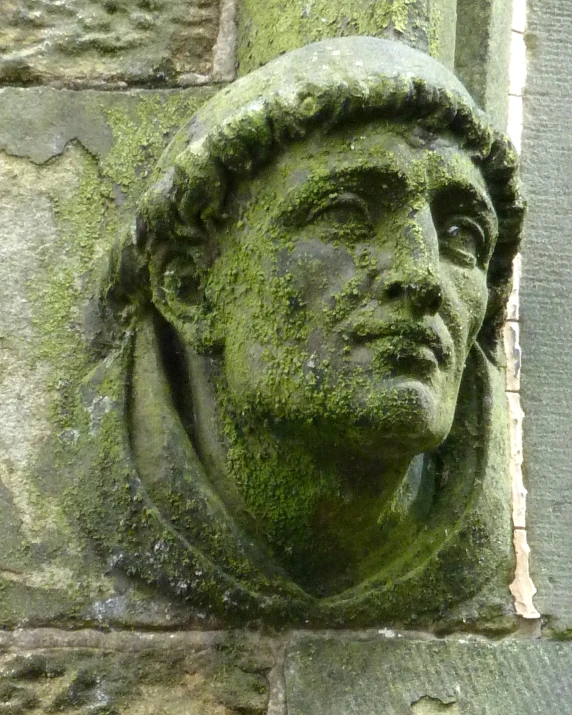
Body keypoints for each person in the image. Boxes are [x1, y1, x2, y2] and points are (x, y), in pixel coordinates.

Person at [82, 36, 524, 624]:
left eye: (463, 237)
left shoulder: (476, 549)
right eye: (344, 215)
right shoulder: (85, 495)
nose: (423, 276)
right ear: (189, 287)